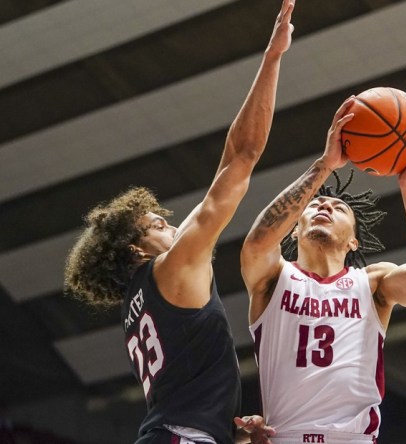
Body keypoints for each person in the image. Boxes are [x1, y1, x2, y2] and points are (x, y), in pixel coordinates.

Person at [62, 1, 296, 442]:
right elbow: (240, 157)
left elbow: (183, 393)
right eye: (156, 224)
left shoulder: (140, 304)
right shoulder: (170, 270)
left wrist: (231, 433)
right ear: (135, 248)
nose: (172, 227)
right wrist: (272, 58)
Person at [240, 97, 406, 443]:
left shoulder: (372, 283)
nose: (324, 204)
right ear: (294, 229)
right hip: (286, 437)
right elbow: (258, 241)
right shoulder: (274, 278)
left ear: (353, 242)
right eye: (315, 205)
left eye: (338, 208)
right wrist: (324, 165)